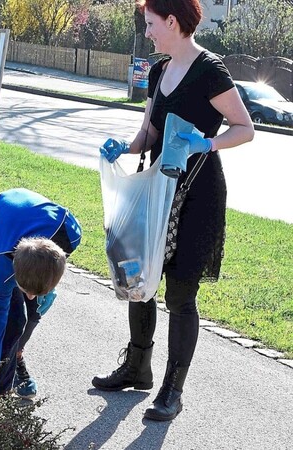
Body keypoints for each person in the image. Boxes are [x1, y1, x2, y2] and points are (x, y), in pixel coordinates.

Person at [93, 0, 254, 421]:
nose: (147, 32)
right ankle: (136, 367)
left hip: (197, 195)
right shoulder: (159, 70)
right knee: (139, 277)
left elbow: (245, 128)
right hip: (156, 191)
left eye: (150, 24)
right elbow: (149, 131)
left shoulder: (210, 70)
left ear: (172, 21)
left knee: (181, 294)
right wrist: (125, 148)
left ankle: (172, 389)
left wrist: (208, 142)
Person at [0, 188, 82, 399]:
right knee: (12, 322)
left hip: (32, 221)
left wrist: (49, 286)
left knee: (33, 312)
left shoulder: (71, 234)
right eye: (26, 291)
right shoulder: (2, 270)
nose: (30, 296)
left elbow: (53, 263)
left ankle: (16, 357)